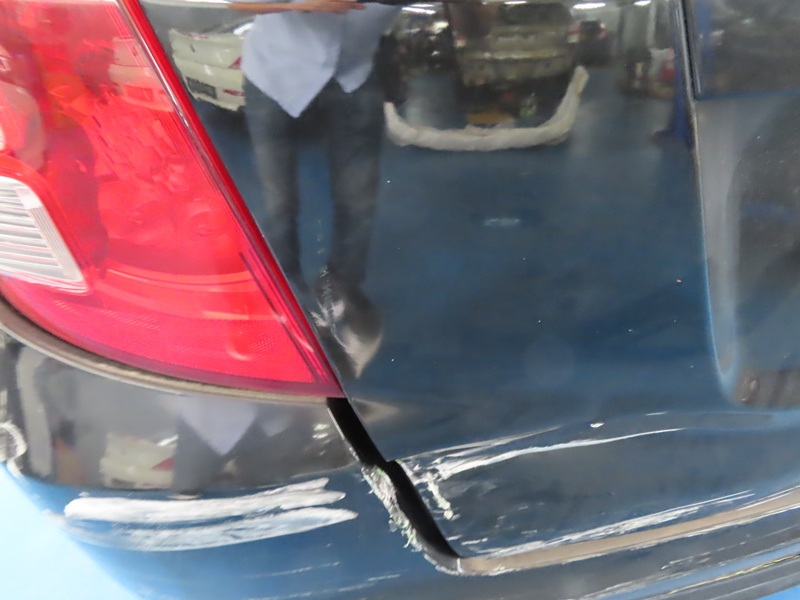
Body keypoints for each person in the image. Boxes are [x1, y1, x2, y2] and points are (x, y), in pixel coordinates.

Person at [230, 0, 398, 377]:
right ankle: (289, 307)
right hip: (274, 75)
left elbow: (473, 23)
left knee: (358, 200)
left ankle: (340, 292)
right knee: (279, 203)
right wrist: (303, 3)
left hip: (354, 75)